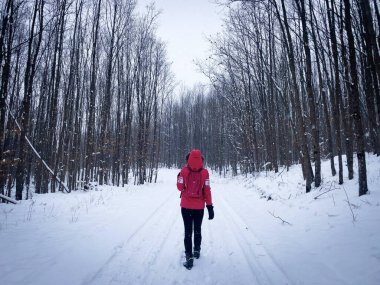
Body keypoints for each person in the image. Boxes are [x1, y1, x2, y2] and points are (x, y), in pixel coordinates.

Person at [176, 149, 214, 270]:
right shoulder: (205, 173)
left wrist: (179, 177)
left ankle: (189, 257)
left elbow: (179, 187)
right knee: (197, 229)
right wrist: (209, 206)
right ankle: (196, 251)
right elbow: (207, 190)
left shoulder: (184, 171)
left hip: (186, 206)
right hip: (199, 207)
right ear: (201, 160)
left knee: (188, 231)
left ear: (189, 158)